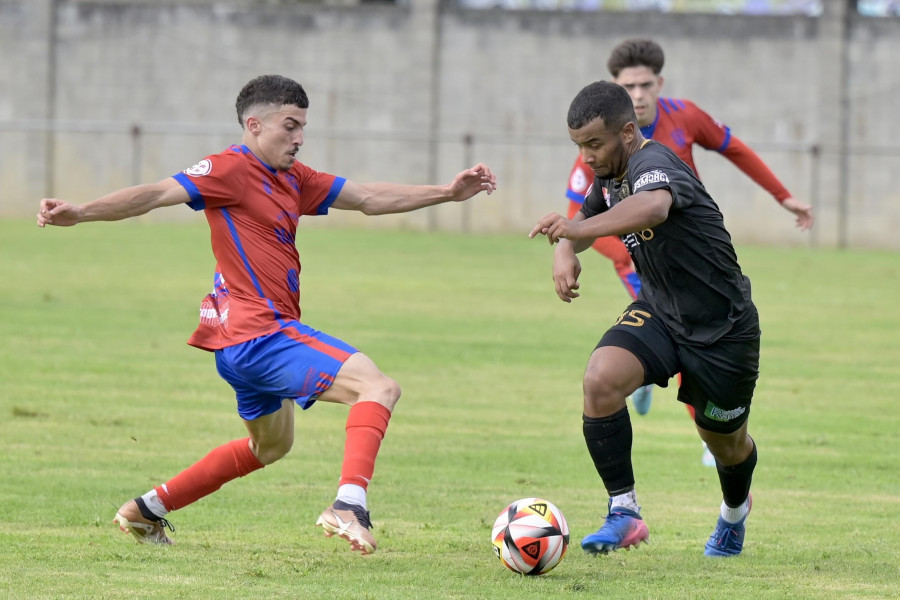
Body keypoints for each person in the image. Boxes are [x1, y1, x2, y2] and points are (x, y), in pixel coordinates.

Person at [36, 74, 497, 555]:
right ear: (254, 125)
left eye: (303, 128)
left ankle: (145, 509)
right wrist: (82, 211)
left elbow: (368, 198)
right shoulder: (226, 169)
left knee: (270, 447)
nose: (299, 138)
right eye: (289, 126)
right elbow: (153, 194)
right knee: (378, 387)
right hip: (260, 334)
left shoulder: (295, 179)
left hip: (236, 343)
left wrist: (447, 191)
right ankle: (348, 505)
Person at [531, 80, 759, 557]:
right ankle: (625, 511)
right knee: (601, 379)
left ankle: (734, 514)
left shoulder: (653, 163)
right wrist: (566, 249)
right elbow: (587, 213)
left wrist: (576, 229)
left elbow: (653, 205)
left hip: (723, 329)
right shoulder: (608, 176)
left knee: (727, 446)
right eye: (579, 147)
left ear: (628, 133)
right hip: (660, 310)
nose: (587, 156)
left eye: (595, 144)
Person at [564, 38, 812, 444]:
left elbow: (734, 149)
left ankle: (695, 418)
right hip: (638, 257)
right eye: (630, 87)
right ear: (616, 88)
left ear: (660, 83)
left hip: (688, 248)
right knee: (667, 329)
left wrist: (782, 196)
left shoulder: (683, 118)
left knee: (695, 324)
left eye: (646, 85)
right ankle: (643, 375)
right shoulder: (600, 143)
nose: (639, 95)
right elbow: (584, 213)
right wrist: (607, 251)